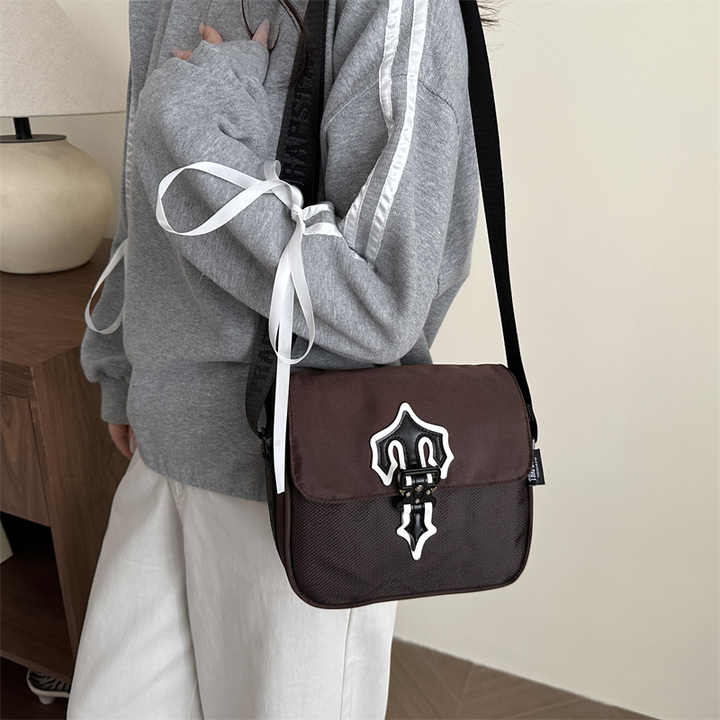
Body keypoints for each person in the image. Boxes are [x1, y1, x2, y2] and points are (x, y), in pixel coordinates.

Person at [69, 0, 480, 717]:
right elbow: (144, 195)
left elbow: (376, 305)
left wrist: (191, 127)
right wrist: (120, 366)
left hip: (301, 481)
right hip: (164, 445)